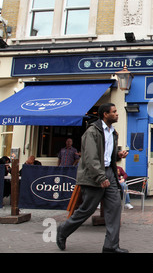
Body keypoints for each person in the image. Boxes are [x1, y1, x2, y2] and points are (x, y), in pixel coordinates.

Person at [56, 103, 129, 253]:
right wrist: (100, 177)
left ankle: (111, 246)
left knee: (115, 208)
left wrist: (118, 155)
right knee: (87, 210)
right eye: (114, 112)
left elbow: (106, 155)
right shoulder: (92, 131)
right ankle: (63, 231)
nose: (117, 114)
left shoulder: (113, 132)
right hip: (93, 175)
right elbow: (90, 157)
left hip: (110, 172)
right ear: (105, 114)